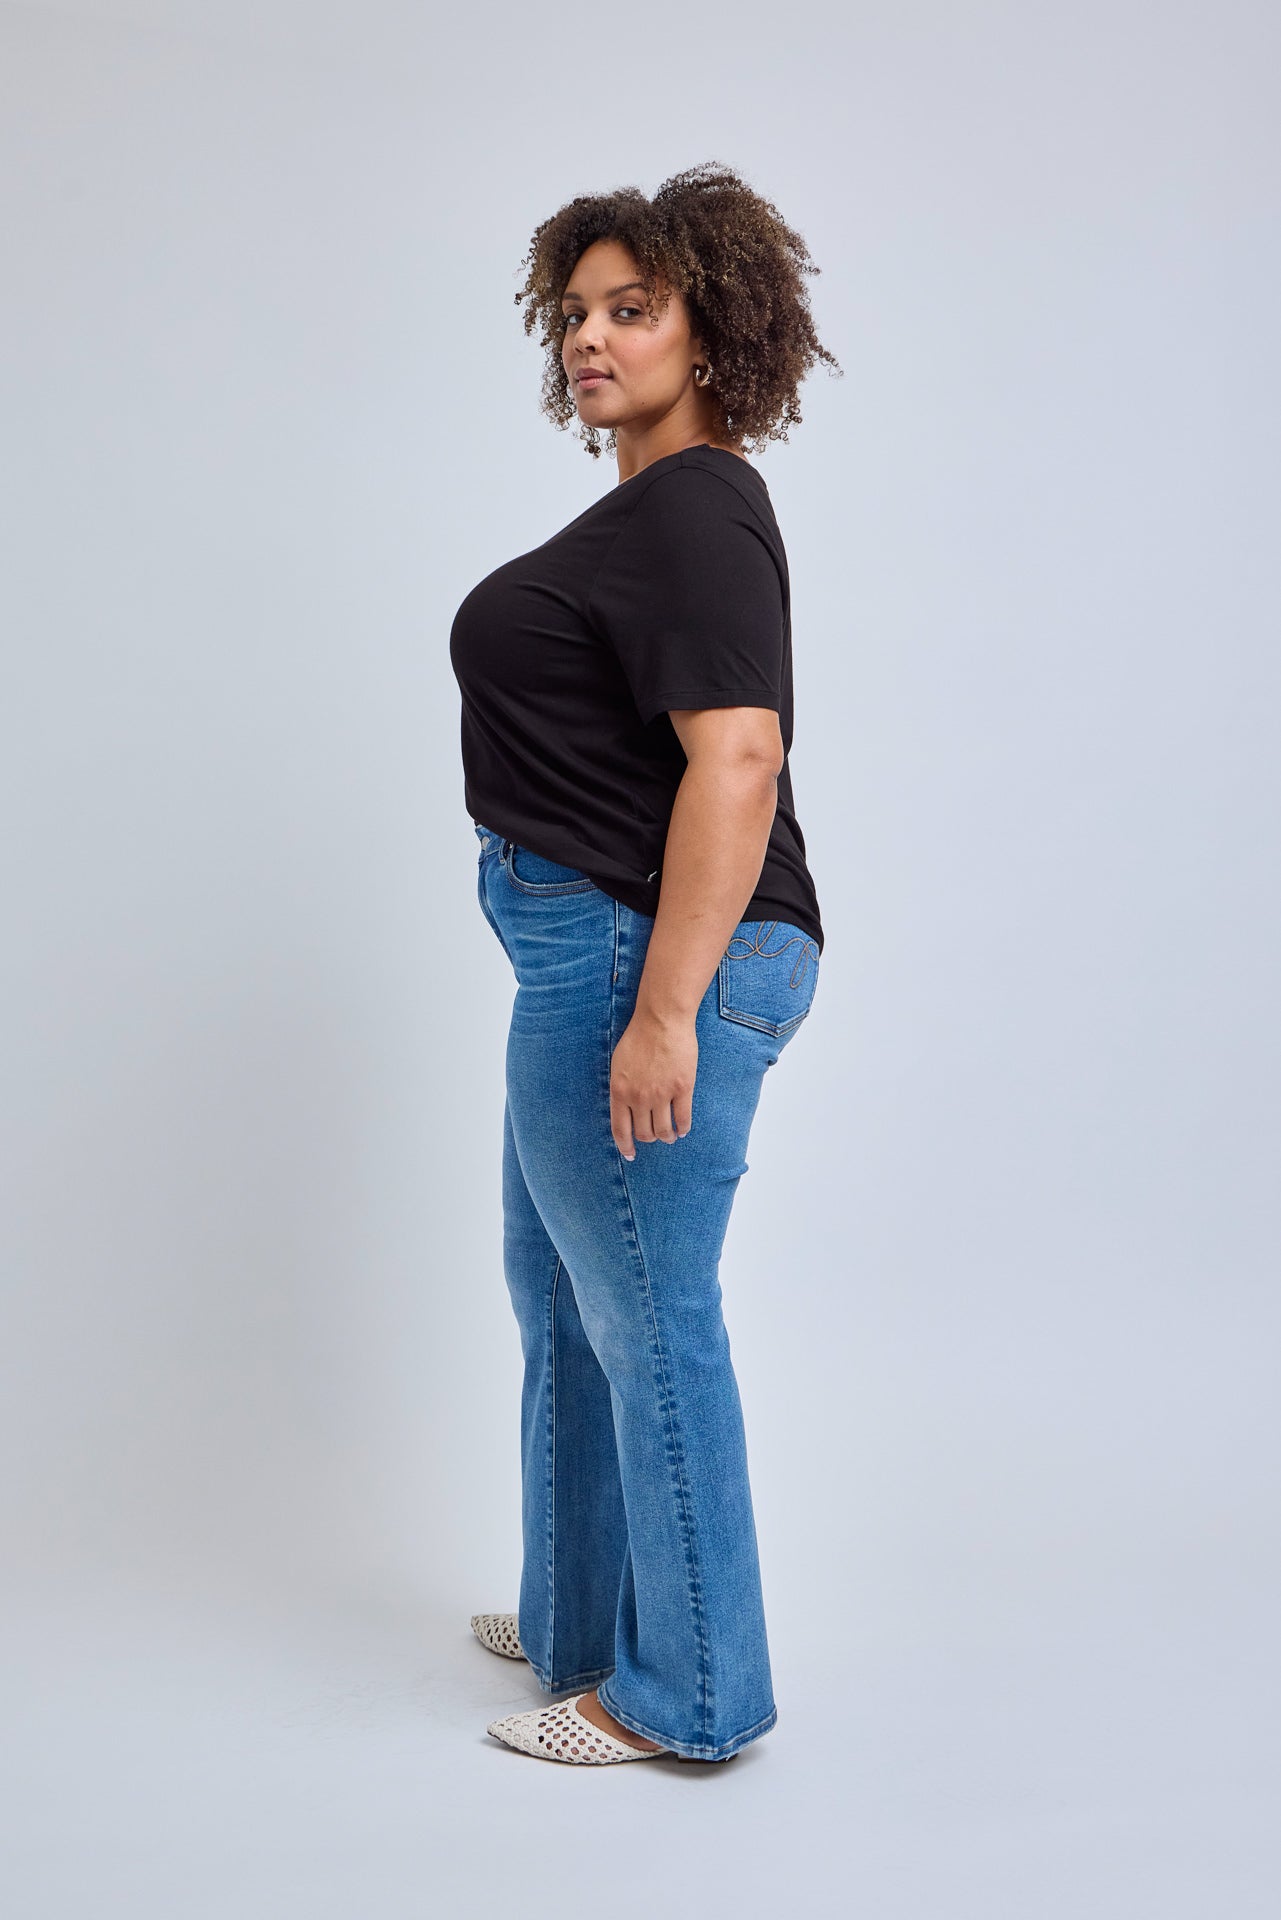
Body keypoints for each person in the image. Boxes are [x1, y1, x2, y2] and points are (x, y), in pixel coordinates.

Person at [449, 161, 840, 1766]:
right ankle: (577, 1620)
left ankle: (688, 1698)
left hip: (639, 954)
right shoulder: (645, 512)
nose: (592, 341)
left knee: (650, 1317)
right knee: (561, 1298)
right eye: (576, 315)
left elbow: (735, 759)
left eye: (633, 309)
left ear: (714, 325)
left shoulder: (694, 502)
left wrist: (666, 1008)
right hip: (590, 947)